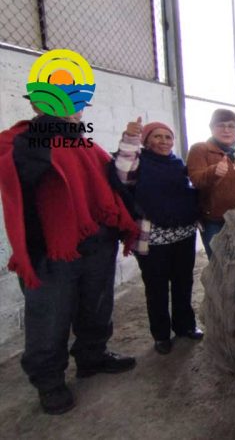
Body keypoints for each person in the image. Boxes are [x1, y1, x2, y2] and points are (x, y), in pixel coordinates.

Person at [0, 110, 138, 415]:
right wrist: (46, 130)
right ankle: (49, 381)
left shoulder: (86, 145)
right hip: (53, 248)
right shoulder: (22, 140)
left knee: (97, 306)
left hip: (97, 243)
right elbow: (18, 169)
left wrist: (129, 142)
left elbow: (116, 176)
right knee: (50, 317)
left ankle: (92, 357)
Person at [113, 118, 202, 355]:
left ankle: (185, 326)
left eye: (168, 137)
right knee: (157, 288)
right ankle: (161, 335)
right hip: (153, 239)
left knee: (184, 283)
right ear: (146, 140)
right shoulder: (139, 163)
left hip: (183, 235)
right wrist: (130, 138)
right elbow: (122, 174)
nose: (163, 141)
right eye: (157, 136)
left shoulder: (177, 163)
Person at [187, 109, 235, 258]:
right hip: (214, 221)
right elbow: (196, 180)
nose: (226, 130)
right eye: (221, 125)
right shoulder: (200, 150)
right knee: (219, 265)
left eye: (231, 126)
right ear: (212, 128)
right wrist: (214, 172)